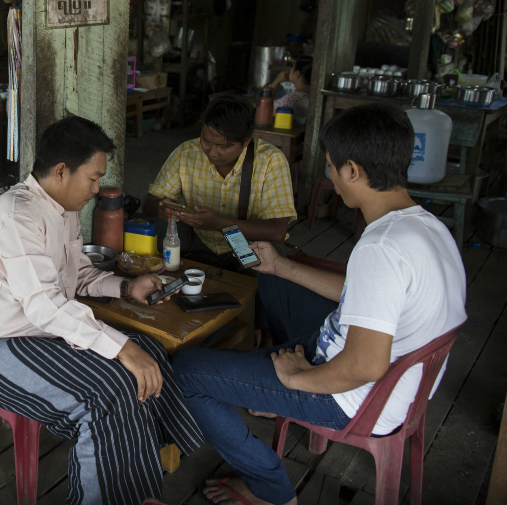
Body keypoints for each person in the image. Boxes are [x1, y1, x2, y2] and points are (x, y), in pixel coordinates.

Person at [169, 103, 467, 505]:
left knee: (186, 370)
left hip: (353, 395)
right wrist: (282, 267)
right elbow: (361, 291)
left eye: (330, 165)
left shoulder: (381, 247)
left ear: (352, 170)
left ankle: (272, 490)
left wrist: (297, 379)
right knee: (273, 279)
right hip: (385, 380)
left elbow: (365, 366)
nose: (330, 177)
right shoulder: (426, 225)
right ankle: (267, 387)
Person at [0, 116, 205, 505]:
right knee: (109, 391)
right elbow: (45, 305)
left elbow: (79, 274)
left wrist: (126, 287)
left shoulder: (63, 208)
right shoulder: (15, 215)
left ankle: (142, 476)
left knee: (150, 350)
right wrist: (121, 347)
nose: (96, 189)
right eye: (93, 178)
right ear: (60, 171)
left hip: (41, 333)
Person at [143, 96, 297, 268]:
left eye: (224, 147)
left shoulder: (270, 160)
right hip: (199, 239)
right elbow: (149, 202)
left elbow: (277, 231)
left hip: (248, 243)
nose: (212, 152)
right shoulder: (186, 152)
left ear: (246, 141)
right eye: (206, 141)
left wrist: (218, 224)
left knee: (272, 263)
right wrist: (161, 208)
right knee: (145, 227)